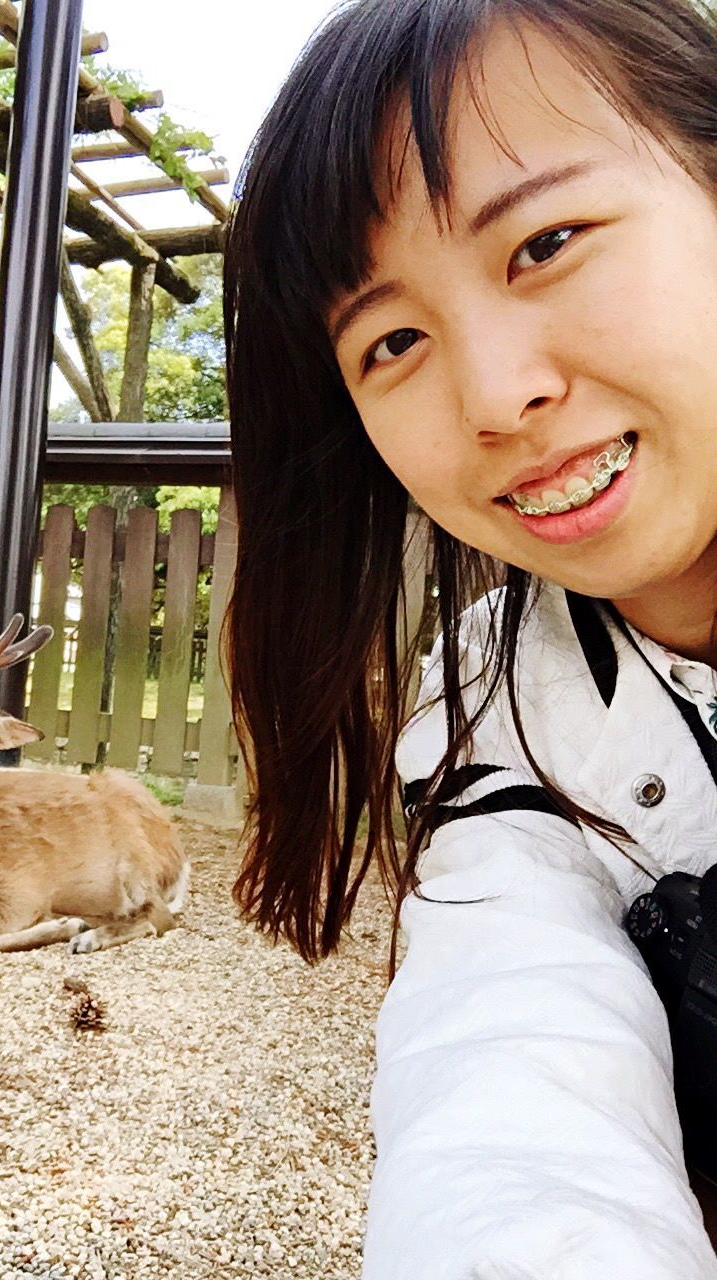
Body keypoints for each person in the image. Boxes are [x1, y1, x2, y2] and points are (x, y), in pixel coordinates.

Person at [222, 0, 717, 1275]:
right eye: (393, 341)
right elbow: (512, 1075)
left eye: (547, 241)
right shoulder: (505, 716)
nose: (498, 397)